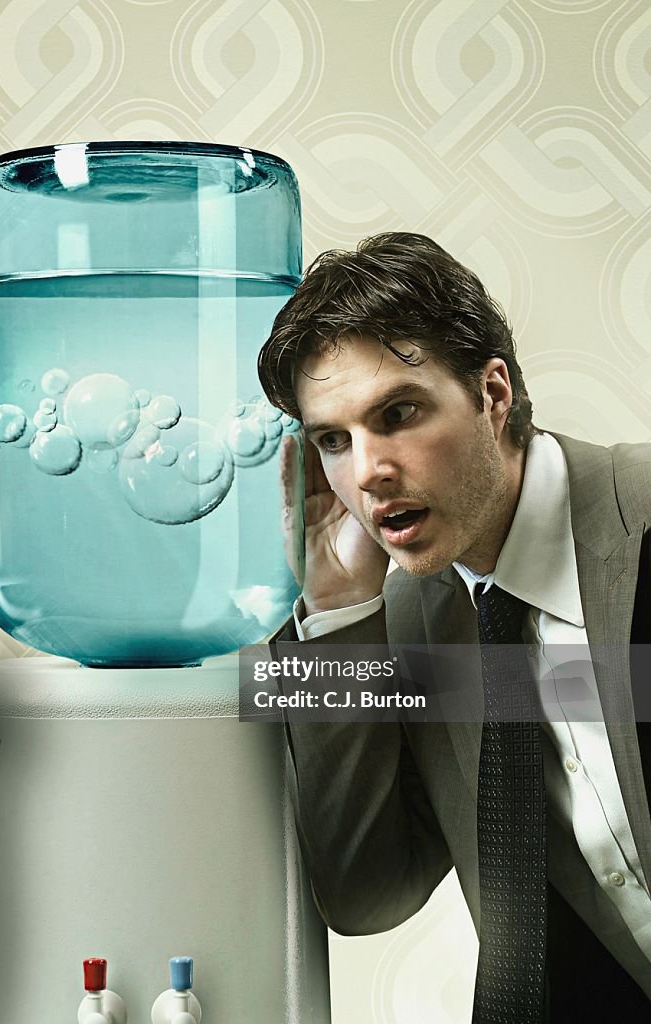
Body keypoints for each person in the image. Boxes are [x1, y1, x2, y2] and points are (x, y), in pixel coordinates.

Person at [257, 232, 651, 1021]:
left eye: (398, 414)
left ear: (493, 394)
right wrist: (336, 611)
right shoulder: (402, 626)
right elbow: (366, 896)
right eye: (333, 440)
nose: (367, 471)